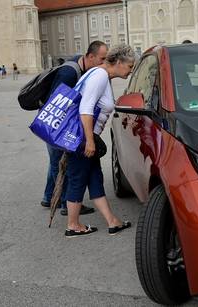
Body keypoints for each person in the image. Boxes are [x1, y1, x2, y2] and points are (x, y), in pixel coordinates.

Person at [64, 44, 135, 237]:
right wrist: (89, 141)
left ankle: (112, 221)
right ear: (119, 62)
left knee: (95, 177)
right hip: (82, 138)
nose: (131, 70)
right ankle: (72, 225)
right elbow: (85, 109)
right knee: (78, 179)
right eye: (129, 66)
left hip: (86, 137)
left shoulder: (99, 74)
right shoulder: (99, 76)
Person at [41, 41, 108, 216]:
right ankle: (65, 203)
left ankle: (48, 197)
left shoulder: (82, 67)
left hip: (56, 124)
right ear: (90, 56)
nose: (104, 63)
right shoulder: (69, 72)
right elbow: (56, 101)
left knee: (54, 161)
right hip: (55, 125)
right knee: (58, 162)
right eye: (102, 59)